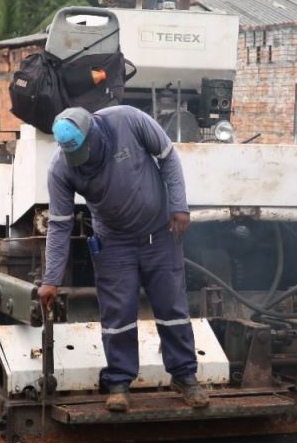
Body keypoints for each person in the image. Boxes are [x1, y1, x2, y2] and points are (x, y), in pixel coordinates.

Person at [38, 105, 209, 413]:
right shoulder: (61, 168)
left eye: (85, 152)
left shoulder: (129, 120)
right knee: (118, 314)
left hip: (160, 235)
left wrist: (179, 206)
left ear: (93, 131)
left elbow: (168, 157)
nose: (83, 162)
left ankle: (185, 376)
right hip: (114, 243)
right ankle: (118, 382)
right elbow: (60, 223)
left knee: (172, 308)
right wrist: (51, 279)